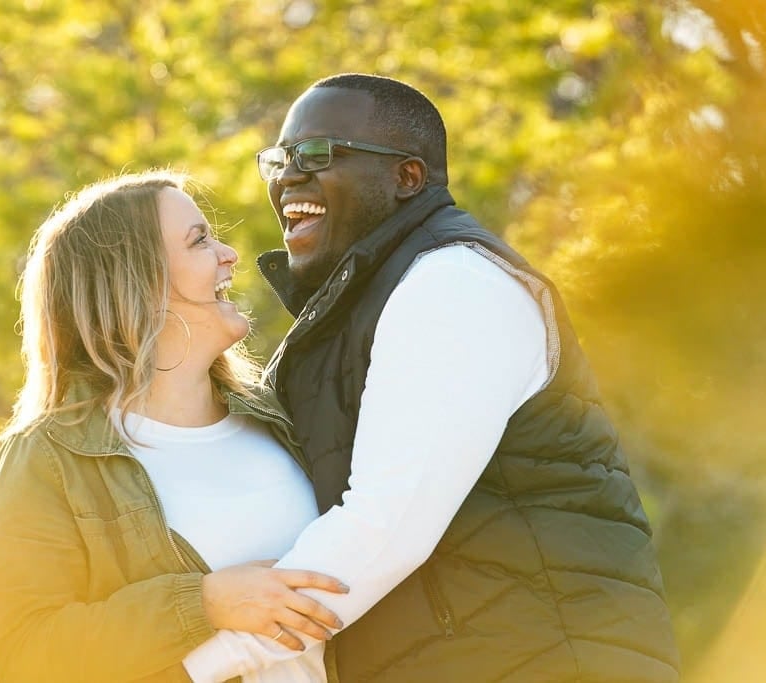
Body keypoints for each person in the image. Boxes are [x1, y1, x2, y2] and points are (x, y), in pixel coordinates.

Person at [183, 75, 681, 682]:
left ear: (407, 179)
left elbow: (386, 524)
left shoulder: (455, 285)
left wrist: (195, 667)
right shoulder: (361, 307)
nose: (287, 176)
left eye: (315, 155)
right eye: (278, 160)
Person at [0, 170, 350, 683]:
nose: (229, 255)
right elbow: (27, 657)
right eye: (200, 241)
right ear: (136, 283)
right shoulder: (48, 458)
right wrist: (202, 603)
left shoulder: (283, 416)